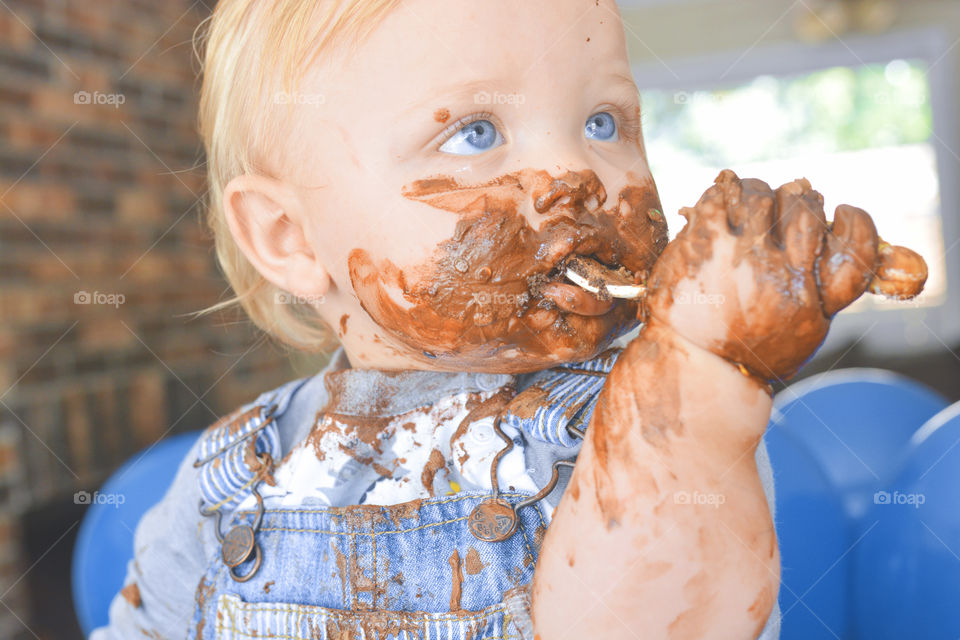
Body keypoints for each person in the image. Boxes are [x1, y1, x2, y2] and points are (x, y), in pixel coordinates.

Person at [90, 0, 912, 637]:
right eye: (473, 132)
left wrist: (703, 372)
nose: (572, 174)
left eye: (604, 122)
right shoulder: (230, 479)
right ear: (290, 237)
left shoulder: (658, 426)